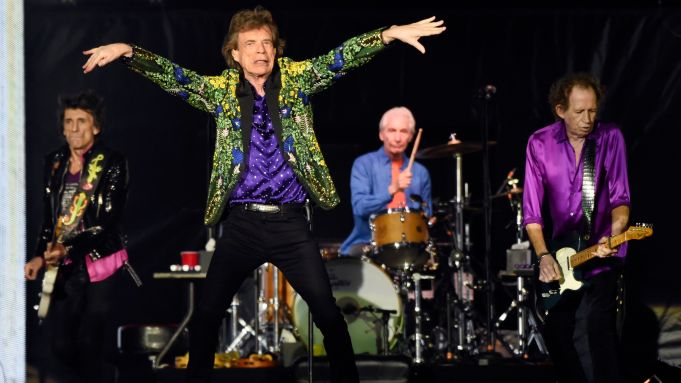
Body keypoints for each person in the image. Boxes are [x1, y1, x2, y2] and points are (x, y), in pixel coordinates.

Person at [81, 6, 445, 382]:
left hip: (289, 223)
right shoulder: (220, 91)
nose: (260, 51)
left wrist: (388, 34)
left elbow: (341, 59)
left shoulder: (297, 80)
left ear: (276, 49)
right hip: (241, 225)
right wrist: (128, 51)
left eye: (267, 43)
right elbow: (177, 78)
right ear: (235, 54)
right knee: (206, 316)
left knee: (327, 313)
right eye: (250, 44)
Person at [522, 72, 630, 382]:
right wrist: (543, 256)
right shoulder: (539, 143)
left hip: (602, 252)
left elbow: (621, 197)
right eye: (579, 111)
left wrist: (616, 231)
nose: (588, 119)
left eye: (593, 110)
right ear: (560, 110)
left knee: (596, 330)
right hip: (561, 255)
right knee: (558, 335)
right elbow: (531, 211)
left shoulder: (610, 138)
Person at [24, 90, 132, 383]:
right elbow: (50, 218)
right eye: (69, 122)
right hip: (65, 266)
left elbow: (106, 223)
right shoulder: (55, 162)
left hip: (100, 263)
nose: (74, 129)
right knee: (61, 345)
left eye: (81, 121)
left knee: (92, 343)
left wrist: (67, 247)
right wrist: (38, 254)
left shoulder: (111, 163)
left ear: (95, 126)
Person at [340, 106, 432, 258]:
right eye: (392, 130)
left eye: (403, 131)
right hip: (368, 243)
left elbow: (426, 214)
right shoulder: (363, 164)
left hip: (411, 245)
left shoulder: (421, 172)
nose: (397, 138)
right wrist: (392, 189)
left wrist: (427, 217)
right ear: (381, 134)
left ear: (411, 136)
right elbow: (359, 208)